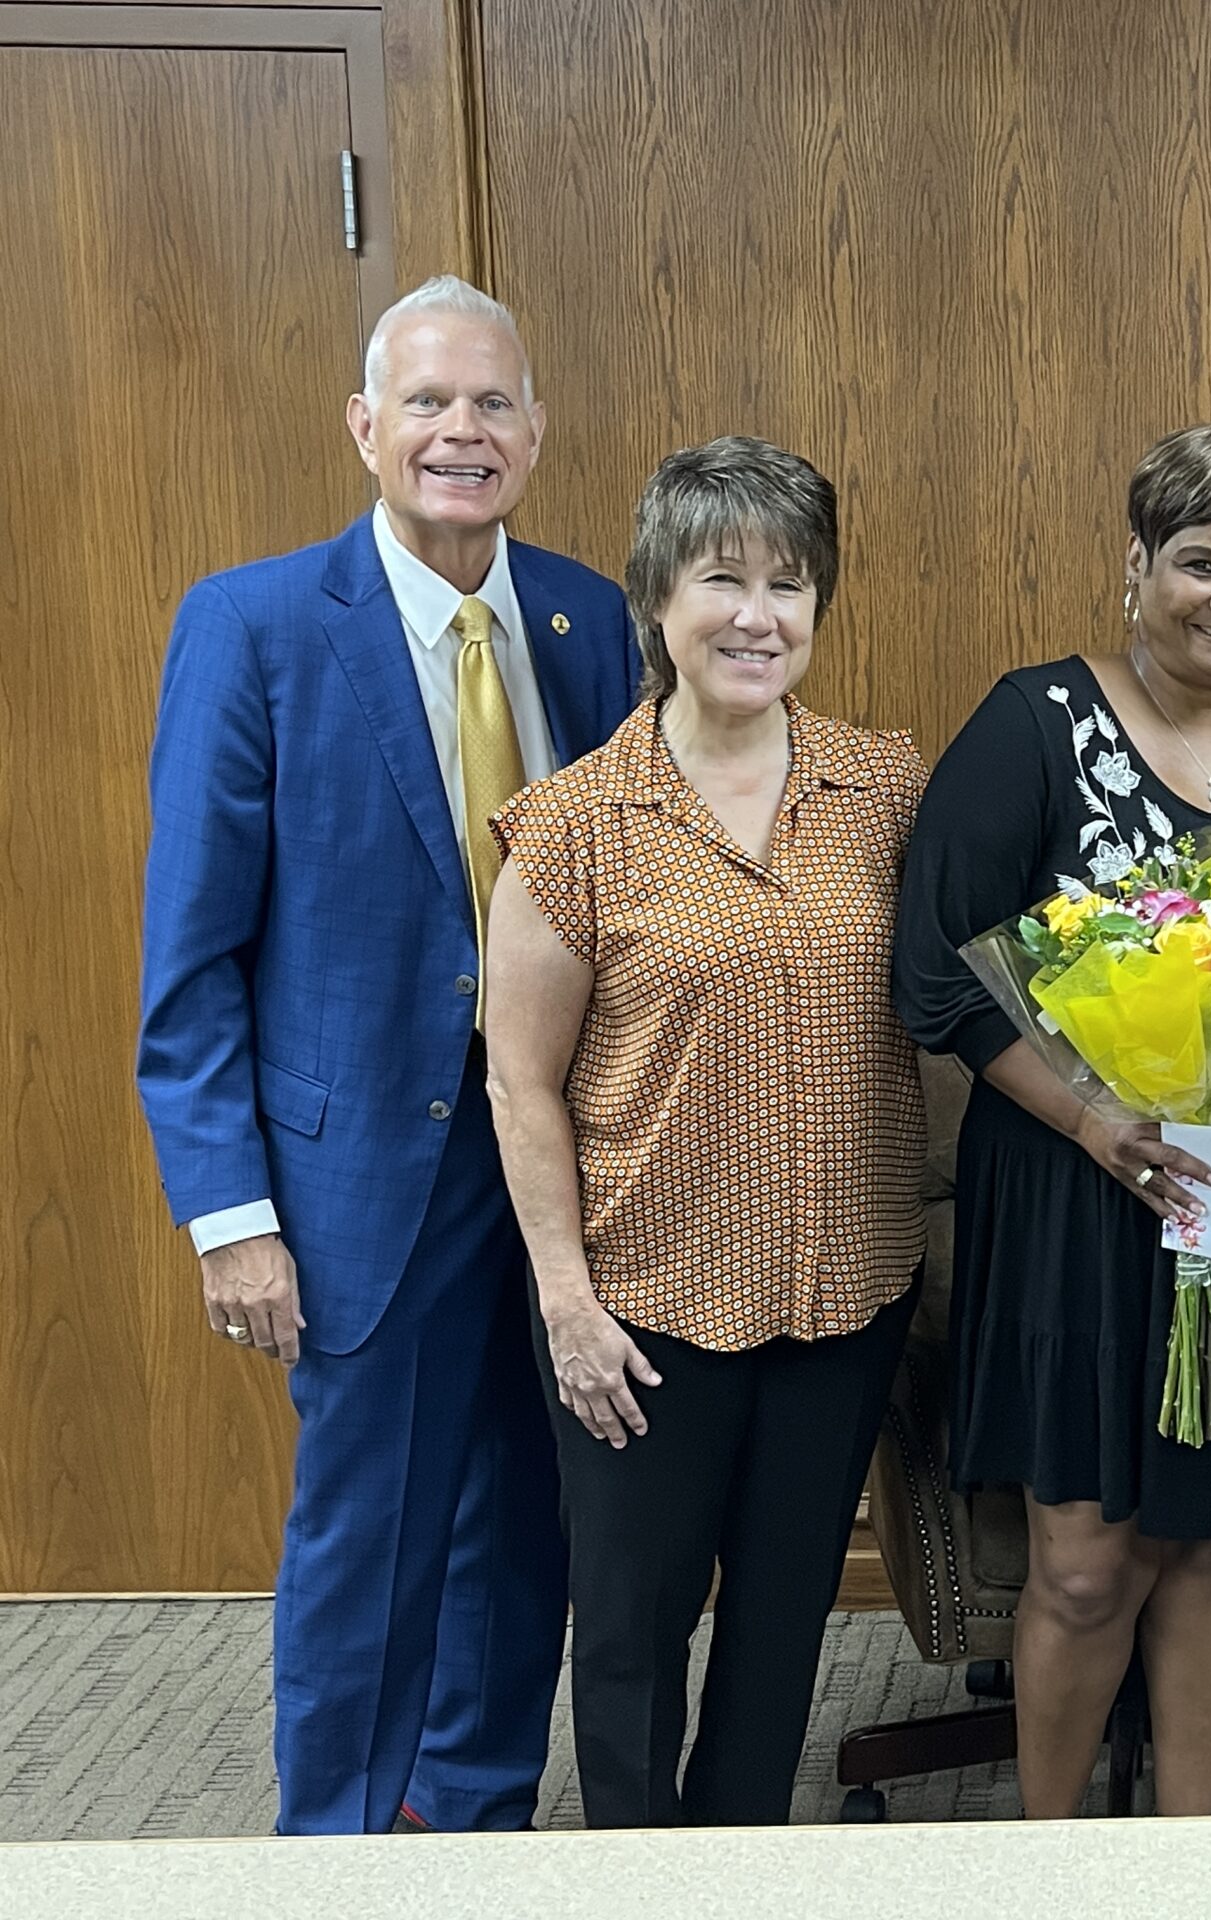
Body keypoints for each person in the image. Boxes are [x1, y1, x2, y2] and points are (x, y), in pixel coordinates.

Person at [135, 276, 635, 1833]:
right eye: (427, 403)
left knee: (527, 1524)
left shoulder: (587, 618)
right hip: (361, 1176)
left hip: (557, 1165)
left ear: (536, 433)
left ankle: (469, 1815)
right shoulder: (255, 625)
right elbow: (192, 960)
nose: (460, 434)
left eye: (491, 404)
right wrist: (233, 1219)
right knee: (373, 1534)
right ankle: (339, 1845)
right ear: (365, 427)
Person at [892, 423, 1211, 1818]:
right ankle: (1065, 1870)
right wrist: (1097, 1121)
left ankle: (1188, 1863)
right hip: (1070, 1195)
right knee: (1085, 1561)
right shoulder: (1030, 725)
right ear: (1137, 564)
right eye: (1201, 562)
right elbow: (934, 974)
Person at [482, 437, 927, 1828]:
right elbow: (519, 1082)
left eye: (789, 584)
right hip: (644, 1308)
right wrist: (566, 1302)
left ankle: (741, 1864)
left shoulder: (889, 791)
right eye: (721, 577)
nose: (756, 614)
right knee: (628, 1631)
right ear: (654, 601)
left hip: (841, 1290)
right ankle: (634, 1875)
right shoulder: (573, 827)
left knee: (786, 1620)